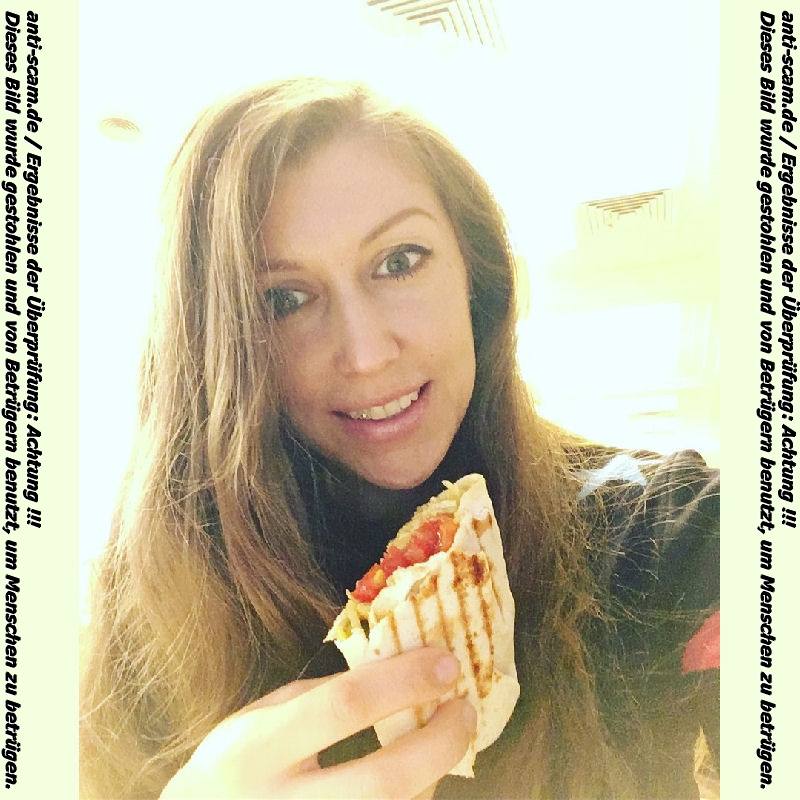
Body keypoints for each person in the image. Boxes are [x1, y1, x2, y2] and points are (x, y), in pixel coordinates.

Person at [80, 77, 719, 800]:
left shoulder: (668, 533)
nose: (365, 354)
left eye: (399, 261)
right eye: (284, 299)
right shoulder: (151, 607)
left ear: (477, 277)